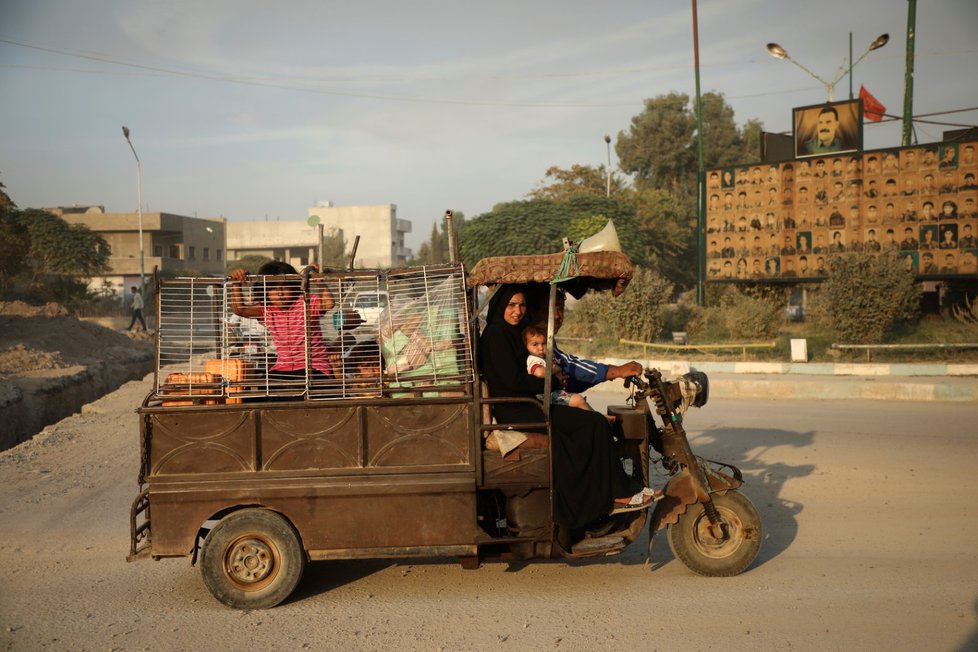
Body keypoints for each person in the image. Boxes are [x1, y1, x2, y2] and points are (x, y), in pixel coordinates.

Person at [479, 286, 654, 532]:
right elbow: (510, 380)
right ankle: (608, 499)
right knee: (594, 425)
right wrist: (545, 381)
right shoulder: (496, 336)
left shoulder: (514, 332)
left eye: (521, 305)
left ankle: (614, 492)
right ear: (500, 307)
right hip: (518, 408)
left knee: (593, 424)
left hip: (529, 402)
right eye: (511, 305)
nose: (517, 311)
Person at [229, 261, 335, 382]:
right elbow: (240, 310)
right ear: (265, 290)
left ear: (293, 285)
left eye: (284, 286)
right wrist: (236, 283)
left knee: (304, 384)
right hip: (283, 367)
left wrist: (319, 281)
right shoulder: (267, 310)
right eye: (273, 288)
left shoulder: (306, 302)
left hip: (314, 366)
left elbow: (328, 303)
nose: (280, 293)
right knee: (263, 388)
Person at [522, 324, 602, 417]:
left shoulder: (545, 358)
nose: (540, 348)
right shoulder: (533, 359)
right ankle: (599, 418)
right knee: (578, 400)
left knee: (578, 401)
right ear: (526, 346)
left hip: (552, 391)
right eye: (535, 344)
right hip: (544, 395)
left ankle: (597, 416)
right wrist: (556, 369)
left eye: (543, 343)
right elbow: (540, 373)